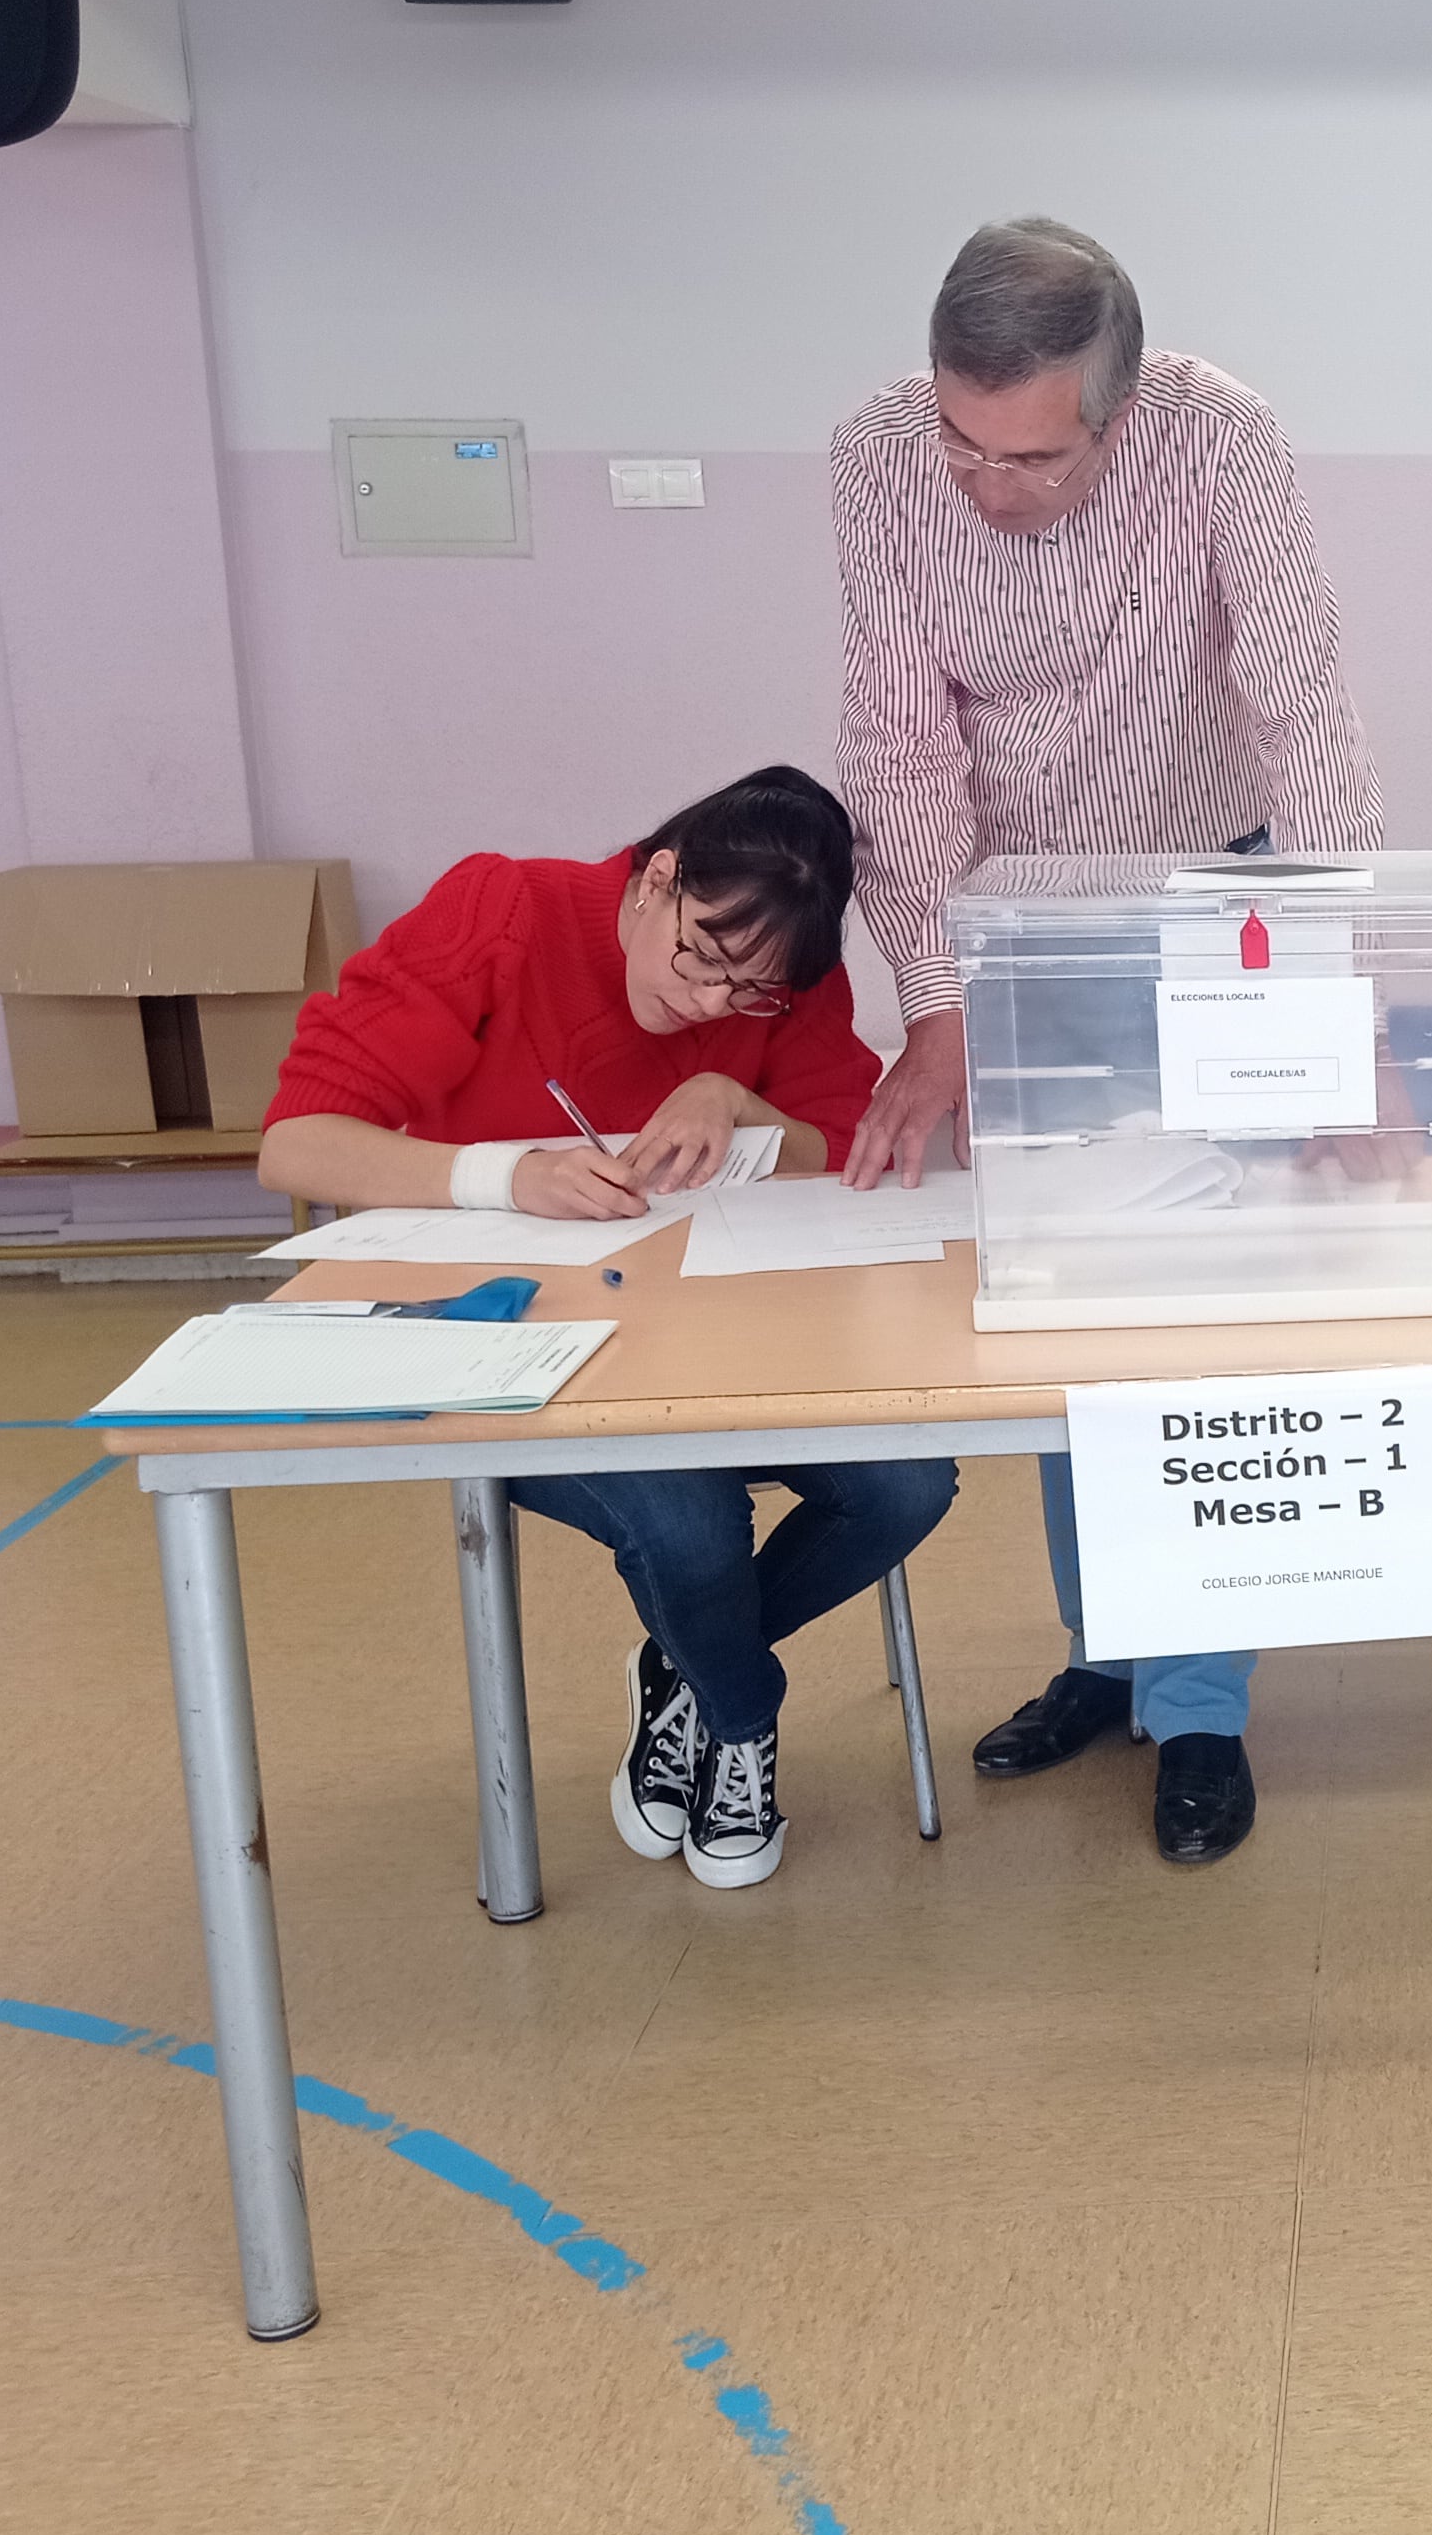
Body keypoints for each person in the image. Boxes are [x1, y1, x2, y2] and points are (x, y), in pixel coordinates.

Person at [832, 215, 1382, 1868]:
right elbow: (895, 738)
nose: (985, 484)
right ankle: (1112, 1649)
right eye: (962, 439)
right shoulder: (874, 461)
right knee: (1076, 1312)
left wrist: (1339, 980)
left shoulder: (1221, 436)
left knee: (1202, 1313)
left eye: (1032, 455)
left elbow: (1300, 701)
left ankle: (1200, 1705)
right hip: (1014, 936)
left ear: (1119, 411)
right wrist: (934, 997)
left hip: (1221, 904)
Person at [258, 766, 959, 1891]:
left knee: (908, 1482)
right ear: (658, 876)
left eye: (752, 994)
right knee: (689, 1520)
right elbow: (295, 1142)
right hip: (516, 1345)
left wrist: (741, 1107)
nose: (711, 1003)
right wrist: (503, 1176)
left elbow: (842, 1145)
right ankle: (740, 1714)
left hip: (724, 1338)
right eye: (701, 957)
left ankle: (683, 1666)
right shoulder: (503, 912)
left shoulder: (777, 986)